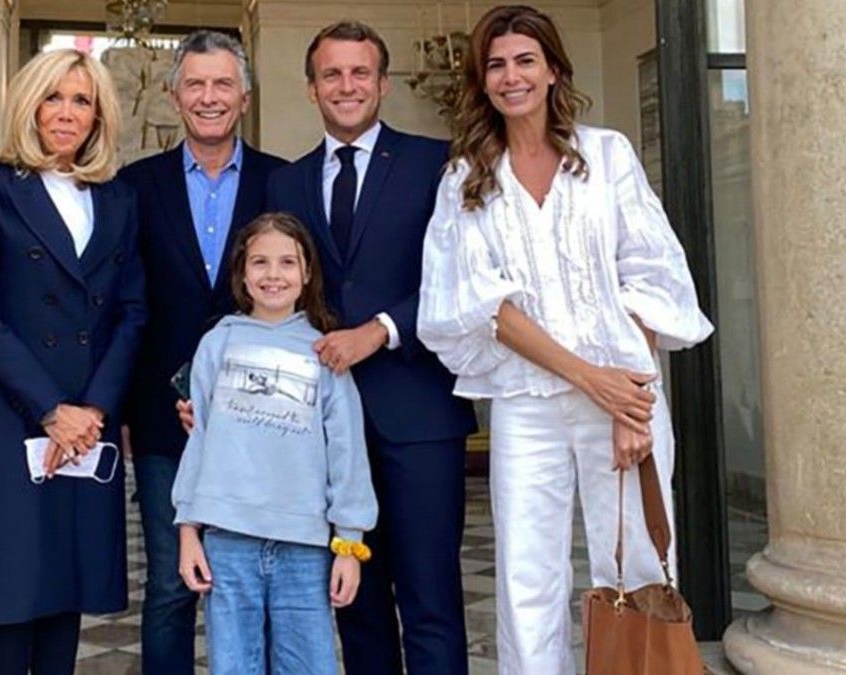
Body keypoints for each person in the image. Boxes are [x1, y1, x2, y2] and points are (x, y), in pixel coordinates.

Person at [416, 6, 713, 674]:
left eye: (525, 60)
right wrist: (590, 377)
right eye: (496, 64)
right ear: (481, 80)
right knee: (526, 575)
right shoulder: (467, 178)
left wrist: (629, 400)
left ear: (553, 70)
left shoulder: (606, 156)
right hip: (528, 402)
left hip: (623, 393)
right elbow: (483, 306)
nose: (510, 76)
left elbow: (650, 275)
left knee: (635, 562)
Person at [265, 21, 477, 675]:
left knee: (430, 598)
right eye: (332, 74)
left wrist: (381, 328)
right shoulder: (287, 183)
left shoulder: (437, 163)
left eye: (360, 73)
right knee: (354, 600)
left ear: (383, 83)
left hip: (418, 414)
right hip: (326, 427)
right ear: (311, 89)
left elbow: (464, 279)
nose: (346, 85)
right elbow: (275, 296)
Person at [0, 48, 147, 674]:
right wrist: (50, 410)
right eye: (53, 96)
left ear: (98, 116)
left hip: (88, 413)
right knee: (13, 588)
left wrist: (94, 411)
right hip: (11, 410)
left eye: (81, 100)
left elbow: (132, 311)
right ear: (28, 103)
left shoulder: (117, 198)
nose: (66, 112)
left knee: (69, 578)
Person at [119, 30, 286, 675]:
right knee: (169, 583)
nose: (209, 97)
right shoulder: (133, 187)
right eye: (195, 84)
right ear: (173, 95)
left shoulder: (283, 181)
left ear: (244, 96)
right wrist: (127, 411)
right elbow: (126, 307)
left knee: (258, 582)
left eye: (222, 84)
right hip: (165, 420)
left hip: (267, 420)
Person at [172, 212, 378, 675]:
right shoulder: (216, 344)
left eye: (287, 262)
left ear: (306, 274)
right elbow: (199, 440)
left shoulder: (325, 352)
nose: (273, 274)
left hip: (304, 545)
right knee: (233, 666)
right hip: (229, 540)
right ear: (242, 273)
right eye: (260, 262)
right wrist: (189, 530)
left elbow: (347, 451)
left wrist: (349, 543)